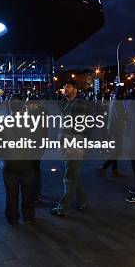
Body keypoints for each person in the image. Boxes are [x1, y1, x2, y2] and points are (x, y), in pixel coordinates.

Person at [51, 79, 88, 217]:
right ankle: (82, 201)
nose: (65, 89)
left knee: (69, 178)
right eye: (64, 86)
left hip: (73, 146)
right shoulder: (69, 103)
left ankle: (63, 208)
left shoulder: (80, 104)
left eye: (68, 87)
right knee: (73, 175)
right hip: (68, 145)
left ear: (75, 89)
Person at [2, 95, 40, 226]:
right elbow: (39, 141)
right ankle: (28, 216)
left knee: (12, 193)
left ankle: (12, 218)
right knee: (28, 192)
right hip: (28, 163)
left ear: (9, 106)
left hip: (11, 163)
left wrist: (4, 155)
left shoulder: (3, 122)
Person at [99, 86, 126, 176]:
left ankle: (114, 170)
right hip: (115, 129)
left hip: (113, 128)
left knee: (117, 150)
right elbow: (120, 116)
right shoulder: (117, 103)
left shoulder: (115, 101)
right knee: (118, 150)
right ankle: (105, 167)